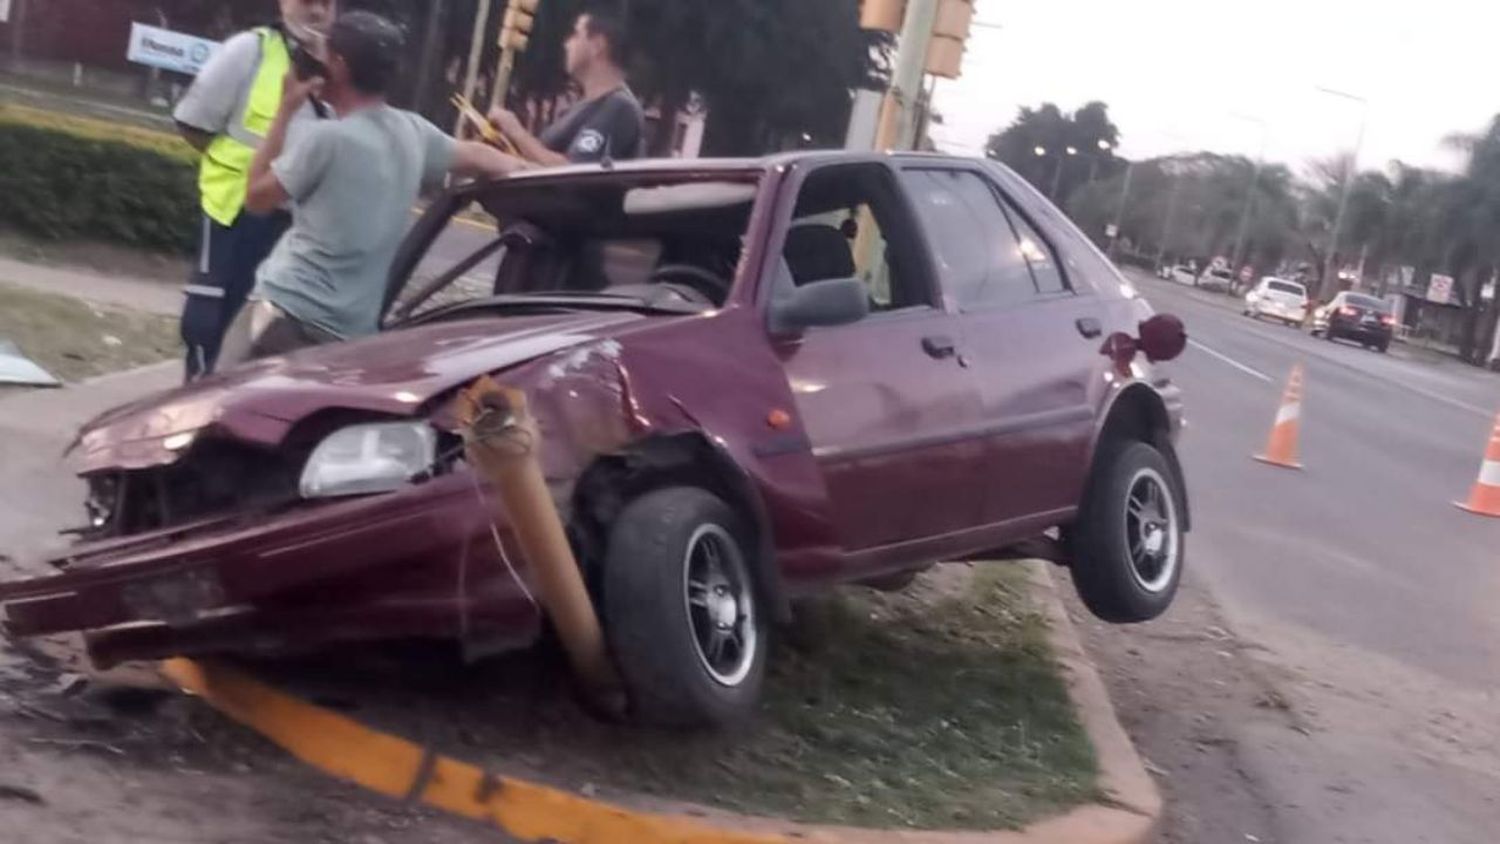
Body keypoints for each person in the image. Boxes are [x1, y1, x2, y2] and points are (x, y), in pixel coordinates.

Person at [215, 11, 527, 368]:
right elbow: (480, 156)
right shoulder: (413, 132)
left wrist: (285, 110)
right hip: (348, 340)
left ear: (340, 66)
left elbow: (256, 197)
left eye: (325, 54)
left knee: (221, 413)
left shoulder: (328, 140)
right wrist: (538, 169)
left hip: (284, 317)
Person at [173, 0, 337, 381]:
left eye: (327, 3)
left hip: (297, 226)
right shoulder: (249, 51)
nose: (318, 11)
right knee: (208, 320)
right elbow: (193, 124)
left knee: (269, 332)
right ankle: (194, 403)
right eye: (308, 1)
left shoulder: (339, 68)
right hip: (234, 210)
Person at [487, 5, 645, 165]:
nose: (567, 44)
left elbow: (573, 173)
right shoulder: (583, 107)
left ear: (597, 45)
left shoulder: (619, 109)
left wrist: (516, 132)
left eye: (576, 35)